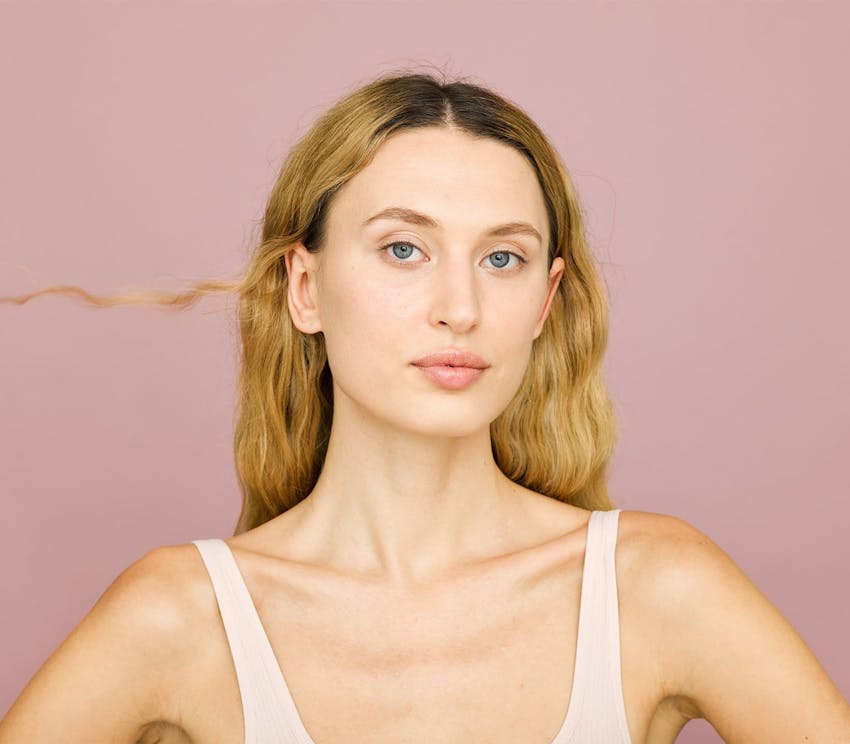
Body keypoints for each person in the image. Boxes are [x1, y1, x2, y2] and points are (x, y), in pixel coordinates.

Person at [1, 69, 848, 744]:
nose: (461, 307)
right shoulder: (178, 616)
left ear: (547, 301)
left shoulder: (658, 587)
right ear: (306, 287)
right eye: (403, 248)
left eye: (504, 259)